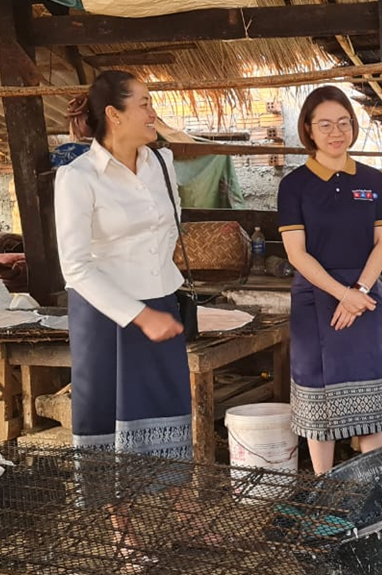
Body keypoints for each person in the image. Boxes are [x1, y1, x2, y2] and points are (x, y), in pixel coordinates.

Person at [54, 70, 192, 556]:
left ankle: (185, 515)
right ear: (114, 114)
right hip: (104, 313)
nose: (154, 112)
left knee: (171, 405)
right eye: (145, 104)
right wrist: (136, 313)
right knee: (109, 416)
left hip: (159, 300)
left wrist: (157, 295)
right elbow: (75, 267)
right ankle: (122, 529)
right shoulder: (77, 177)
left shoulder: (161, 162)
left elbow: (171, 228)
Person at [278, 85, 382, 474]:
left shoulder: (373, 180)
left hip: (366, 297)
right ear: (308, 130)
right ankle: (324, 487)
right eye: (325, 124)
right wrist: (342, 294)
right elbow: (297, 253)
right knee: (317, 398)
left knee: (371, 396)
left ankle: (373, 487)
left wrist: (359, 291)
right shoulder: (294, 185)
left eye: (344, 123)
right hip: (316, 297)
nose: (336, 132)